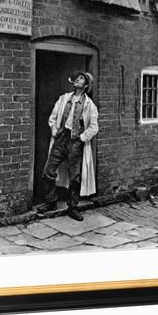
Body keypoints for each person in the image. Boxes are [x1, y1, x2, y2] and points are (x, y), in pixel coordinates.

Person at [36, 71, 99, 221]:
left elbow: (94, 127)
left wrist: (82, 138)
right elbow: (52, 117)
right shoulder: (64, 99)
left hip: (75, 142)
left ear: (86, 85)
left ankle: (73, 207)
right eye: (77, 78)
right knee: (48, 171)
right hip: (61, 139)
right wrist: (54, 130)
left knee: (75, 177)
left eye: (81, 78)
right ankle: (51, 202)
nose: (78, 79)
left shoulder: (90, 105)